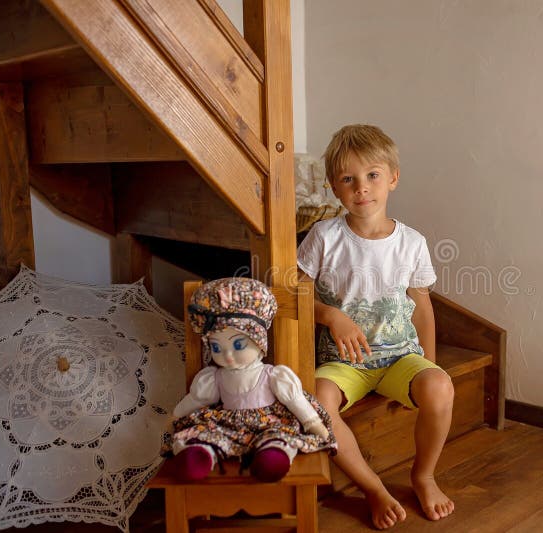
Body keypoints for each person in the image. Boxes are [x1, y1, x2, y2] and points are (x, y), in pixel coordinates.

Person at [297, 124, 455, 529]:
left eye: (372, 175)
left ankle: (423, 475)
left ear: (393, 179)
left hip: (399, 357)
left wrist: (430, 367)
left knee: (440, 385)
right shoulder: (323, 236)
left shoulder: (412, 243)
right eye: (348, 179)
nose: (361, 188)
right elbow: (293, 292)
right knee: (315, 399)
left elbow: (421, 307)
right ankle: (373, 488)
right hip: (344, 363)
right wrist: (330, 315)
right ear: (334, 187)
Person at [167, 277, 336, 482]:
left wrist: (314, 424)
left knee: (278, 438)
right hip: (226, 423)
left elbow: (295, 400)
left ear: (259, 341)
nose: (227, 356)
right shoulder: (214, 378)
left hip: (269, 423)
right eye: (217, 348)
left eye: (238, 345)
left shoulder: (274, 375)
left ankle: (270, 458)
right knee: (206, 435)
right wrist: (175, 417)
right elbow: (197, 400)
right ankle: (201, 456)